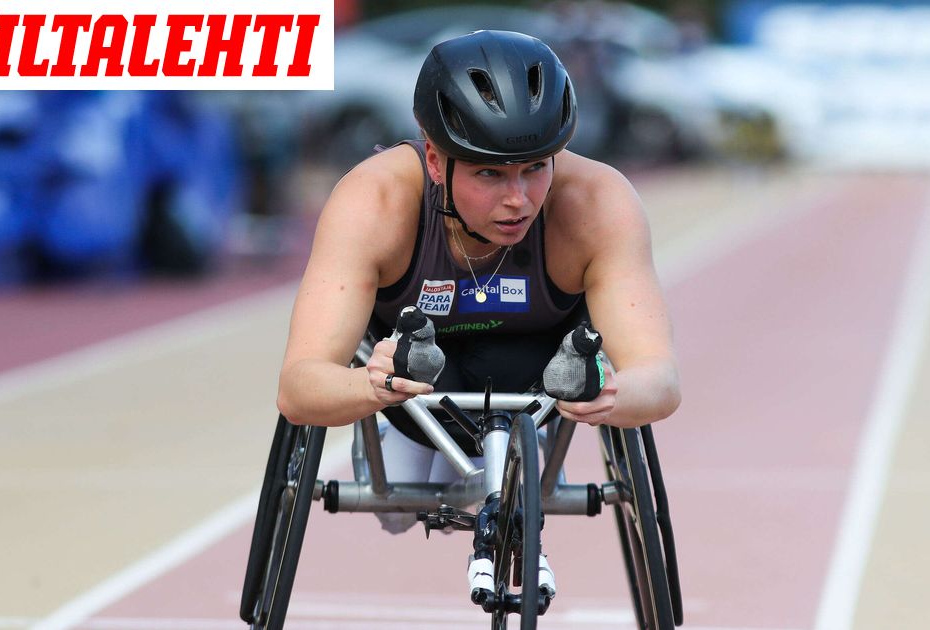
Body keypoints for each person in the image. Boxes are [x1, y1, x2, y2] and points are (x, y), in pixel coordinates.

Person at [275, 30, 680, 531]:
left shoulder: (598, 202)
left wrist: (609, 391)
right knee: (396, 514)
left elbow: (660, 380)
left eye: (535, 168)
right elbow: (297, 388)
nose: (519, 199)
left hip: (534, 377)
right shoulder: (373, 201)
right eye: (489, 174)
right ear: (432, 159)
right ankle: (403, 448)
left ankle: (510, 461)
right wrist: (370, 384)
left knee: (506, 462)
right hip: (419, 377)